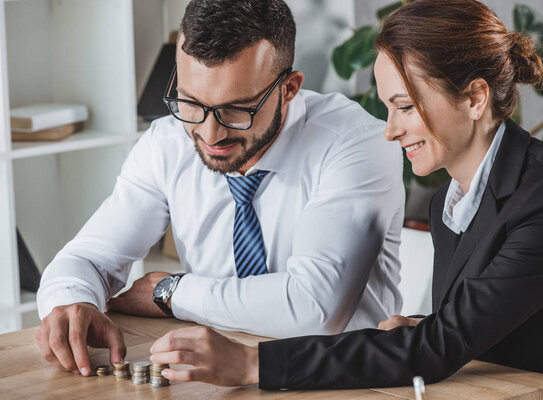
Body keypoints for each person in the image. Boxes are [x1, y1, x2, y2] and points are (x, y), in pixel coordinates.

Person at [148, 1, 543, 399]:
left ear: (475, 98)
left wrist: (250, 364)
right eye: (388, 108)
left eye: (405, 107)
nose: (390, 129)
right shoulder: (453, 199)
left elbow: (437, 351)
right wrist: (426, 326)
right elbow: (490, 319)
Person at [35, 0, 405, 378]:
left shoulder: (357, 143)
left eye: (236, 110)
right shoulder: (166, 143)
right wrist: (71, 300)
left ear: (289, 89)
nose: (210, 135)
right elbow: (89, 258)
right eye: (191, 103)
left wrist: (173, 291)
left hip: (345, 381)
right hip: (212, 378)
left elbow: (313, 309)